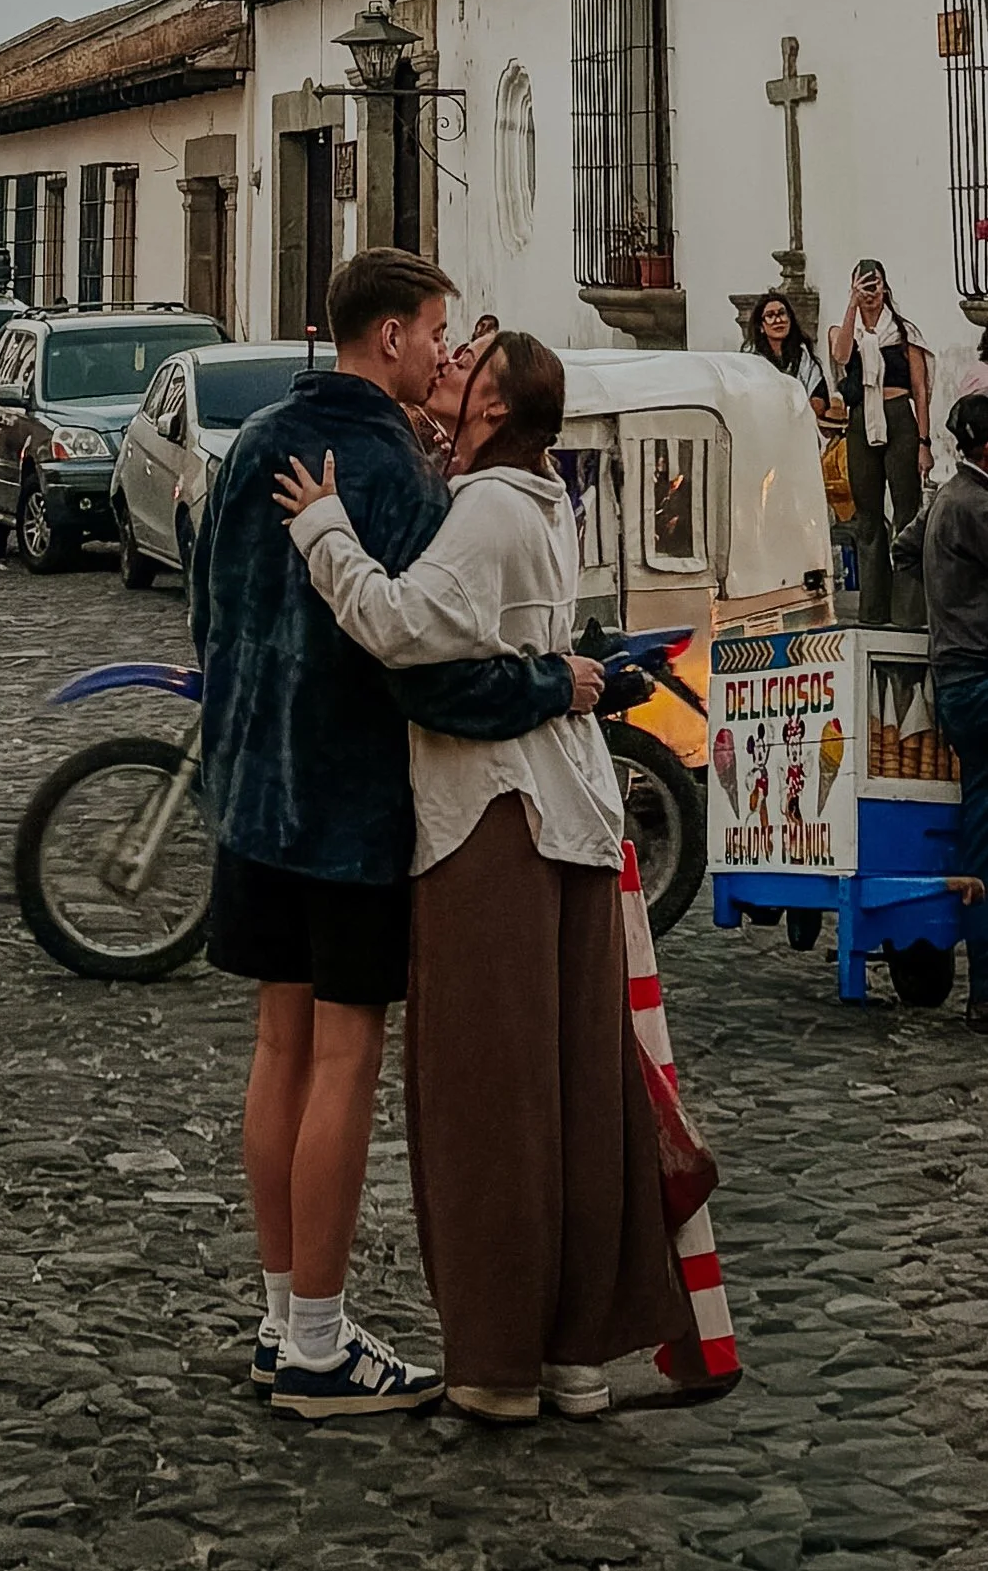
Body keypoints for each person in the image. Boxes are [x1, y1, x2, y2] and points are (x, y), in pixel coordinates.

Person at [190, 248, 593, 1421]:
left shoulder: (258, 440)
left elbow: (209, 611)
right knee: (343, 1061)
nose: (442, 352)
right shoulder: (390, 471)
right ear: (388, 340)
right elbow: (432, 672)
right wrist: (552, 688)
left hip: (252, 794)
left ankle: (279, 1316)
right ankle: (317, 1340)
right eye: (434, 332)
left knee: (276, 1050)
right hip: (349, 808)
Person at [276, 331, 704, 1421]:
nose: (448, 370)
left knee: (489, 1100)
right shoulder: (537, 498)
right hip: (564, 815)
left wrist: (325, 533)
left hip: (493, 822)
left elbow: (400, 626)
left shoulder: (487, 509)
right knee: (572, 1094)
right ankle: (569, 1352)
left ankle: (498, 1363)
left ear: (499, 409)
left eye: (470, 369)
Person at [893, 390, 988, 1032]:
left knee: (982, 829)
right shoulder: (978, 504)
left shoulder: (945, 500)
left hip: (956, 675)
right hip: (981, 677)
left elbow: (902, 549)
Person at [831, 260, 932, 625]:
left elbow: (920, 390)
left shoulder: (905, 333)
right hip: (861, 420)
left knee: (905, 508)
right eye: (863, 286)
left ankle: (908, 608)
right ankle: (872, 608)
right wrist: (852, 306)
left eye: (875, 287)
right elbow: (841, 357)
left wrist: (924, 441)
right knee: (868, 513)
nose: (871, 294)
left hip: (899, 415)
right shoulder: (846, 330)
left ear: (886, 288)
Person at [744, 291, 830, 418]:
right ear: (761, 326)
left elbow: (820, 397)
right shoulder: (752, 361)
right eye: (770, 316)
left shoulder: (804, 358)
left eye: (782, 313)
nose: (778, 320)